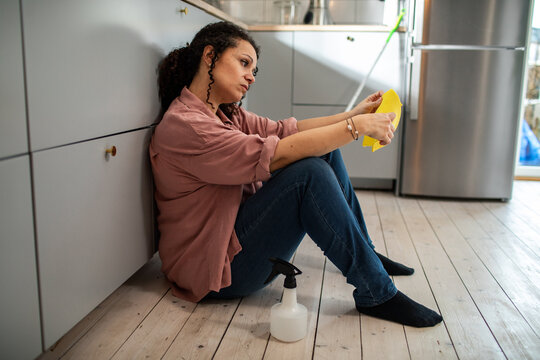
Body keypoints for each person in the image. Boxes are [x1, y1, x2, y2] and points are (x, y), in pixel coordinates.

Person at [150, 21, 443, 328]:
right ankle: (377, 290)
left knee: (324, 151)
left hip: (233, 242)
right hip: (215, 272)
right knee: (309, 173)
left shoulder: (225, 113)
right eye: (244, 63)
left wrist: (352, 116)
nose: (251, 76)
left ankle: (366, 254)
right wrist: (356, 129)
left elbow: (288, 130)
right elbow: (281, 153)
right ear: (209, 56)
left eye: (254, 69)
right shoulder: (189, 126)